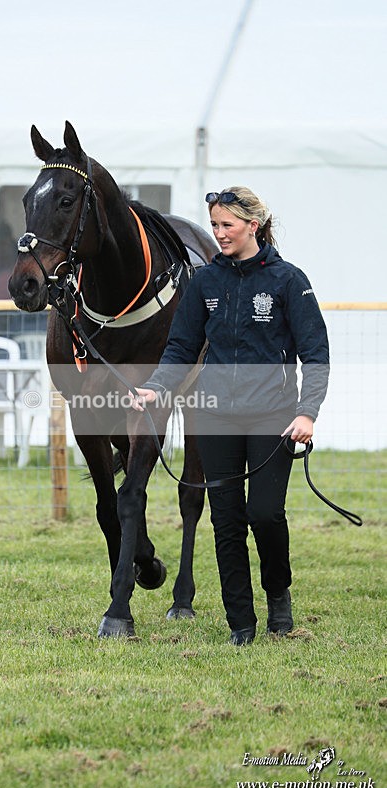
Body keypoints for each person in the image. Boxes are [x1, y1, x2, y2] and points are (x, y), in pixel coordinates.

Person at [131, 187, 329, 646]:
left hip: (273, 417)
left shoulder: (288, 280)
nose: (218, 234)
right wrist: (157, 386)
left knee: (263, 513)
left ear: (252, 226)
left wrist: (307, 412)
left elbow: (315, 353)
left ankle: (278, 596)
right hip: (215, 416)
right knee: (226, 521)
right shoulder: (205, 283)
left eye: (227, 226)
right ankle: (241, 622)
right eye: (215, 225)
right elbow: (181, 346)